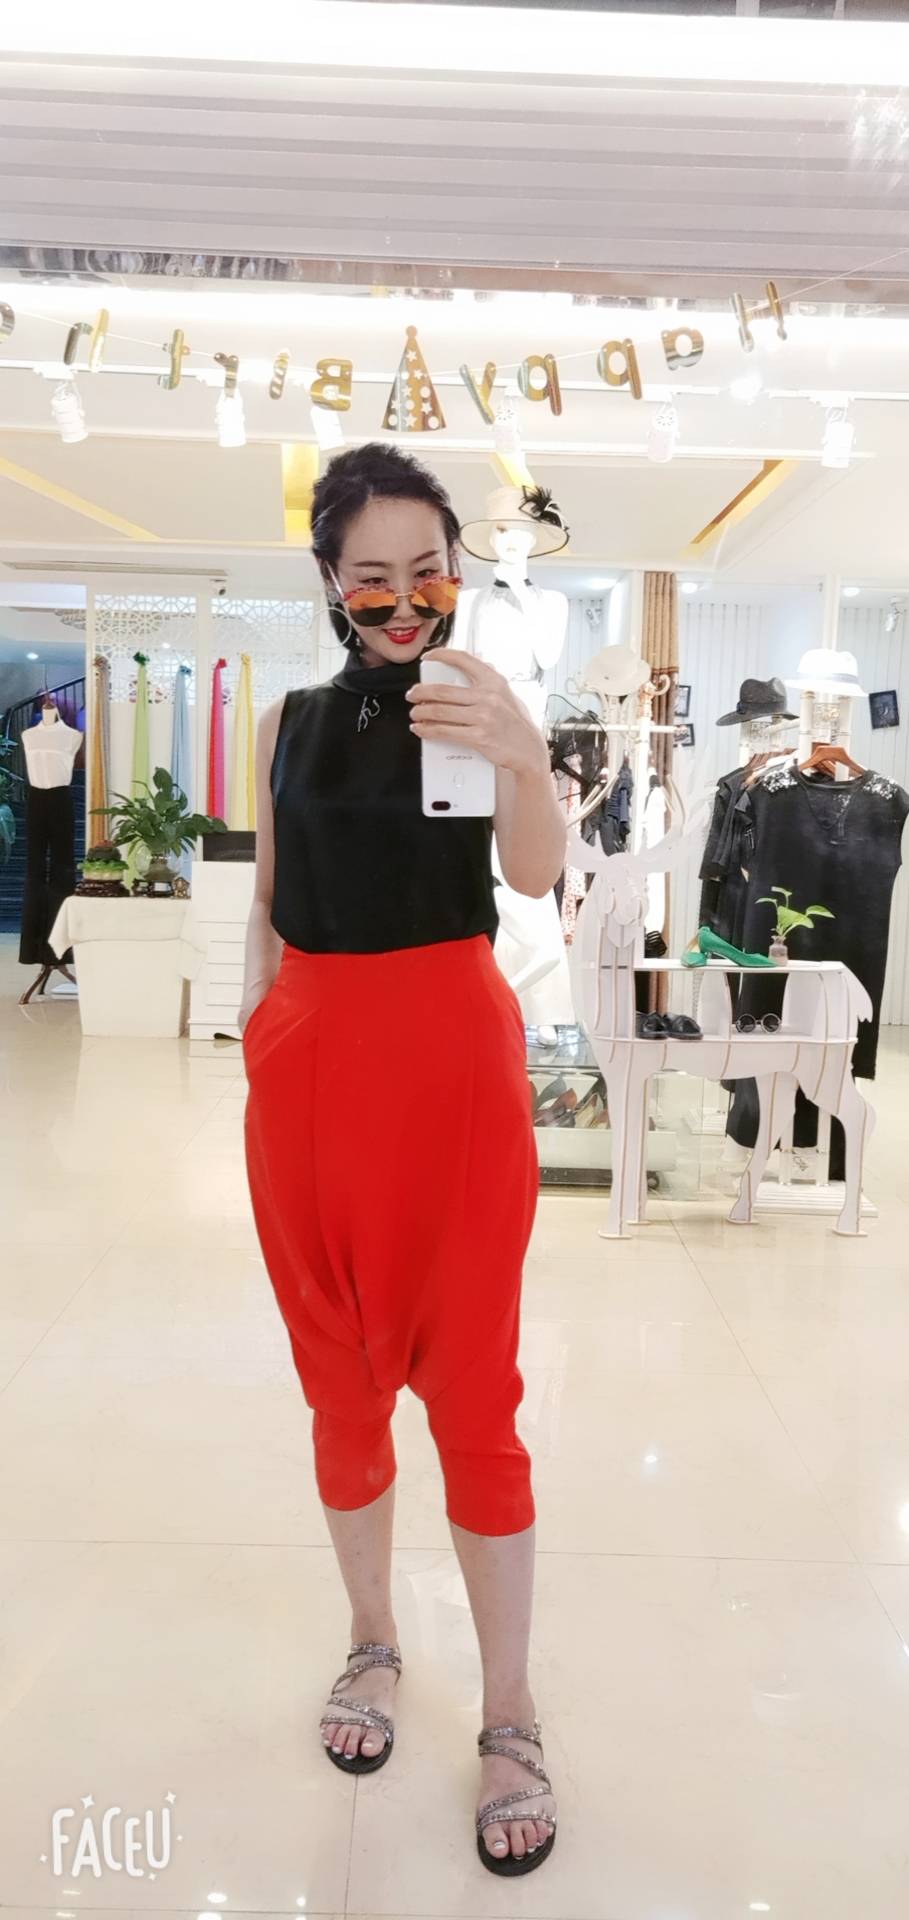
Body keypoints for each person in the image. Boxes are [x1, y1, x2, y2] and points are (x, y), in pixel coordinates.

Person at [239, 442, 566, 1875]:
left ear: (455, 572)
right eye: (368, 575)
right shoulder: (288, 721)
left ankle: (510, 1709)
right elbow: (271, 888)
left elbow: (537, 875)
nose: (400, 600)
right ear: (328, 581)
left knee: (475, 1385)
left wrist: (523, 753)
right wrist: (259, 1024)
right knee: (338, 1371)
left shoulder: (485, 705)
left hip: (452, 1066)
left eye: (424, 571)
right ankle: (372, 1640)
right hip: (309, 1068)